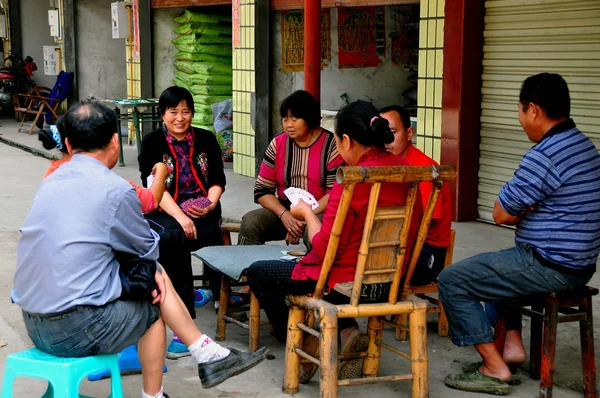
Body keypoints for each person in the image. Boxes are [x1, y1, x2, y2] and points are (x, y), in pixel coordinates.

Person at [12, 102, 268, 398]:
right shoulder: (115, 189)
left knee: (150, 275)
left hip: (34, 322)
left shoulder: (51, 180)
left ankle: (207, 353)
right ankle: (175, 379)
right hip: (74, 330)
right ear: (114, 142)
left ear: (68, 144)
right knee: (153, 301)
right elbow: (146, 252)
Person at [439, 73, 600, 395]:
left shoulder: (545, 155)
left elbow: (501, 213)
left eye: (520, 110)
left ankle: (494, 368)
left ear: (534, 110)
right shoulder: (583, 145)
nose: (520, 118)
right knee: (497, 267)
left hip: (550, 265)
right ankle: (511, 348)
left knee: (454, 280)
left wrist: (525, 209)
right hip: (580, 263)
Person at [247, 100, 421, 382]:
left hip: (345, 282)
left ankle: (305, 341)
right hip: (390, 280)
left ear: (347, 141)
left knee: (260, 272)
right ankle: (348, 331)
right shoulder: (407, 171)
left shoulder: (350, 179)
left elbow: (323, 246)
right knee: (317, 268)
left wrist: (305, 212)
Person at [138, 86, 225, 321]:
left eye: (185, 112)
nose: (180, 118)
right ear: (162, 114)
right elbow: (154, 188)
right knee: (174, 237)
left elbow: (217, 178)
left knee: (210, 234)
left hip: (202, 206)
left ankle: (218, 294)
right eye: (173, 112)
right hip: (165, 209)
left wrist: (210, 204)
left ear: (193, 114)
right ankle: (182, 304)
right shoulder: (151, 142)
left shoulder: (205, 138)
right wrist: (181, 216)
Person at [238, 90, 343, 247]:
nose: (288, 125)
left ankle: (311, 271)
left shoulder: (332, 145)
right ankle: (248, 270)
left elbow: (334, 194)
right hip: (285, 209)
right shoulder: (278, 144)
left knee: (315, 233)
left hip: (320, 210)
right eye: (285, 119)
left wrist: (304, 217)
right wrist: (285, 215)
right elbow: (262, 191)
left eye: (294, 119)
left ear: (310, 118)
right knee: (251, 222)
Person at [380, 105, 452, 285]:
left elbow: (420, 225)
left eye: (392, 132)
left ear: (409, 133)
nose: (386, 140)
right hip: (395, 243)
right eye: (381, 134)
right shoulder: (383, 165)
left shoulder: (425, 170)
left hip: (425, 250)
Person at [41, 115, 168, 214]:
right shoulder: (112, 185)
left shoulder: (52, 173)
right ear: (113, 142)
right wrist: (162, 170)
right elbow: (151, 201)